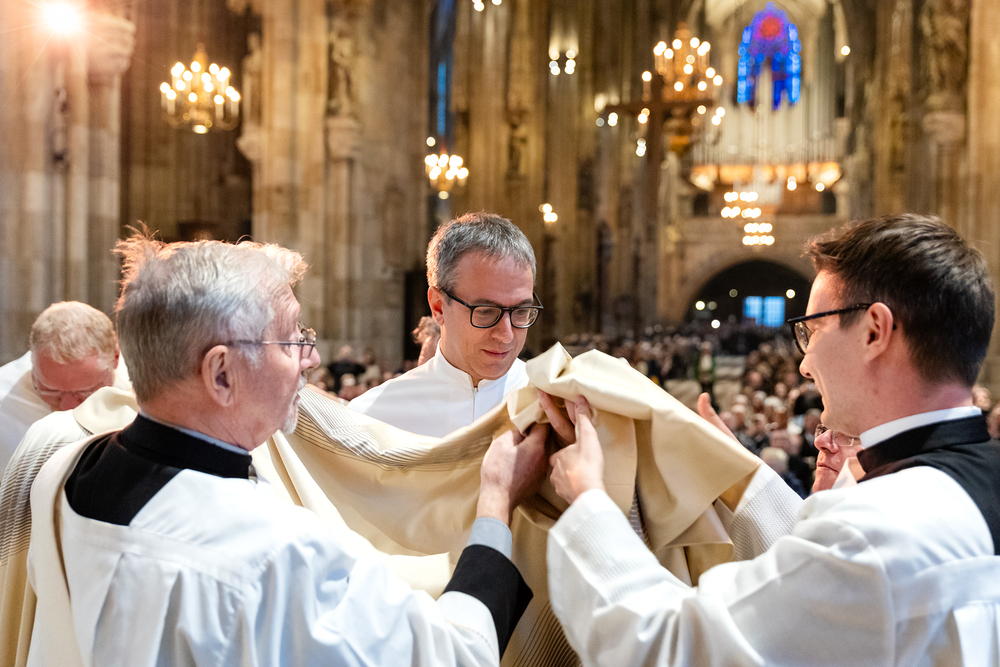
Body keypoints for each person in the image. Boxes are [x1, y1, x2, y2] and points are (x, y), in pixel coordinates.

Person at [27, 234, 549, 666]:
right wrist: (494, 505)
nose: (311, 358)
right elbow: (456, 656)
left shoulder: (62, 474)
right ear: (221, 373)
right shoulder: (275, 555)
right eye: (291, 338)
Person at [543, 215, 1000, 665]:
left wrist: (590, 500)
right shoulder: (950, 487)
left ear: (874, 331)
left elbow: (667, 647)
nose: (805, 364)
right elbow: (824, 591)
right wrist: (737, 470)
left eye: (812, 329)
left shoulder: (878, 530)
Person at [350, 212, 540, 436]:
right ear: (438, 307)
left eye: (521, 311)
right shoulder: (373, 418)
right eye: (486, 312)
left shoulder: (554, 404)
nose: (507, 335)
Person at [0, 301, 128, 475]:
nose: (68, 408)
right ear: (33, 362)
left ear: (115, 358)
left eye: (85, 391)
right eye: (51, 391)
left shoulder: (146, 391)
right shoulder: (3, 400)